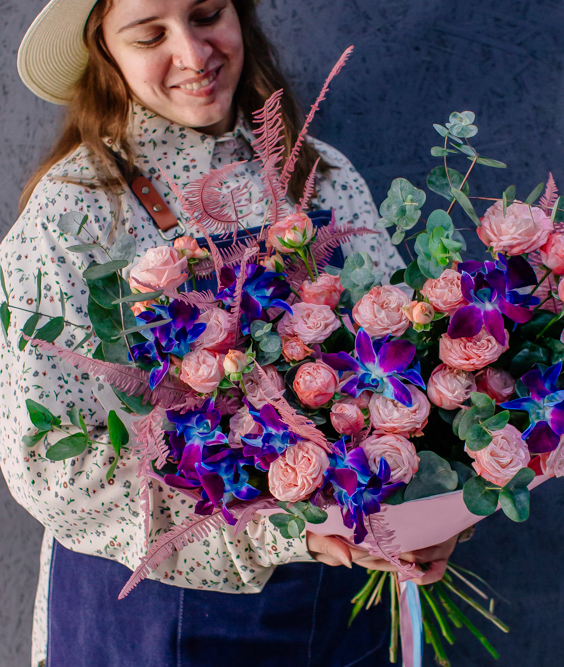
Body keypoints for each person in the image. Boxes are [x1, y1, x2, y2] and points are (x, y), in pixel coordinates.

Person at [1, 0, 458, 664]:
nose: (193, 54)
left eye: (207, 13)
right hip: (152, 611)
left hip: (340, 598)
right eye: (149, 35)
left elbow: (404, 366)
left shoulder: (321, 175)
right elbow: (48, 462)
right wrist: (278, 536)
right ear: (105, 51)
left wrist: (431, 510)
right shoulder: (74, 213)